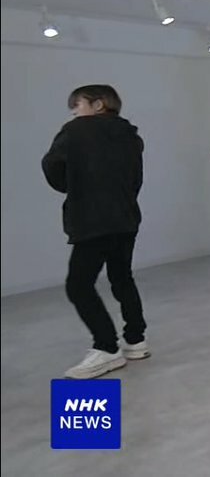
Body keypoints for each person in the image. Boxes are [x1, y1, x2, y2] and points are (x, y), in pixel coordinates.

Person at [42, 84, 149, 378]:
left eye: (77, 105)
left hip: (92, 219)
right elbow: (135, 179)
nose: (74, 111)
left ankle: (106, 347)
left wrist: (73, 186)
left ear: (98, 104)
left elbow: (51, 165)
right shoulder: (131, 135)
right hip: (125, 217)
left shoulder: (76, 130)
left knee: (78, 285)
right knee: (122, 277)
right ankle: (136, 340)